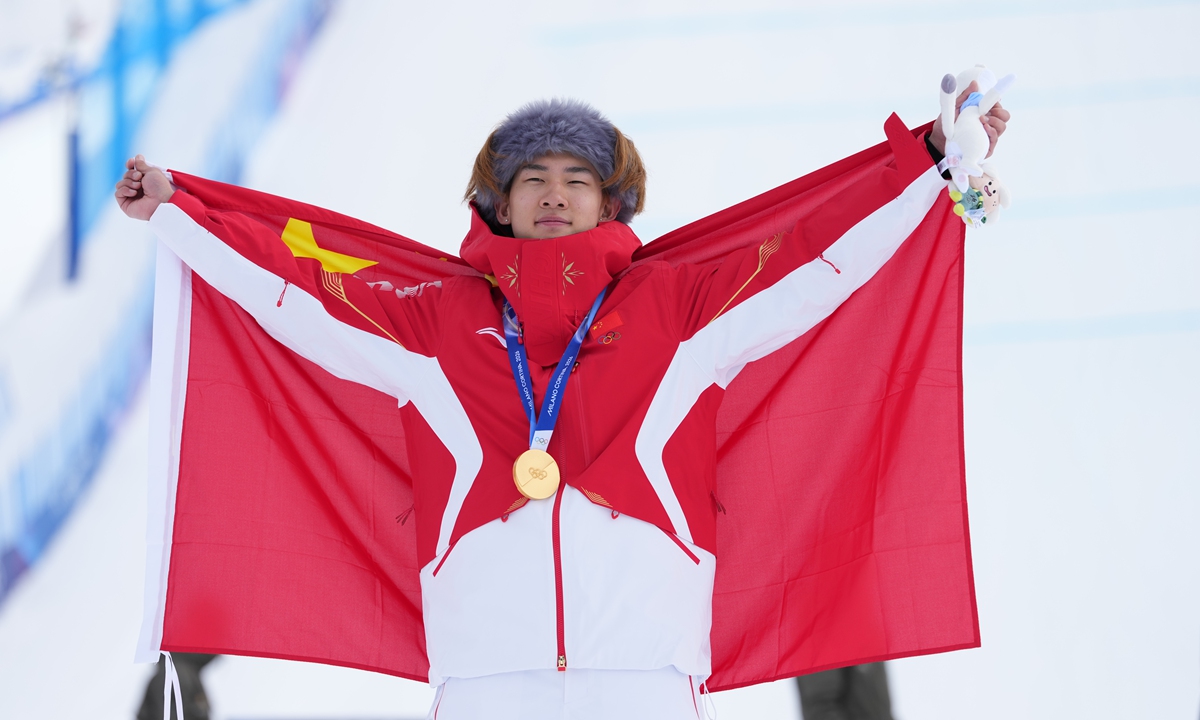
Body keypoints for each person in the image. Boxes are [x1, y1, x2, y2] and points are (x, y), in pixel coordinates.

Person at [116, 93, 1008, 720]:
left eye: (577, 178)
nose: (553, 192)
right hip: (482, 680)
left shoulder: (675, 309)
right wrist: (181, 218)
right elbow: (295, 292)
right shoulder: (436, 322)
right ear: (495, 205)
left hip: (646, 678)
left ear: (612, 202)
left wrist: (931, 161)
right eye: (531, 177)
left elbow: (819, 257)